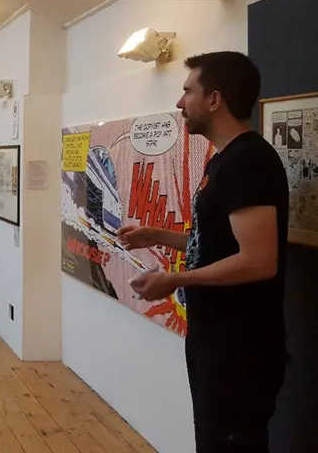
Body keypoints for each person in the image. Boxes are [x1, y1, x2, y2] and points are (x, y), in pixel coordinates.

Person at [118, 51, 288, 453]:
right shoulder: (225, 161)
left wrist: (174, 279)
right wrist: (157, 234)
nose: (180, 103)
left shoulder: (249, 162)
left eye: (187, 91)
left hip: (241, 351)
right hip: (217, 343)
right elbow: (217, 242)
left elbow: (259, 261)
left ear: (214, 100)